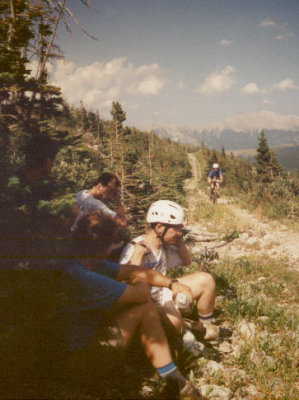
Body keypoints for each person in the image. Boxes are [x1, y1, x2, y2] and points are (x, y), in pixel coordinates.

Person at [64, 210, 201, 399]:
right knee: (145, 308)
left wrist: (172, 283)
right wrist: (138, 273)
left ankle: (168, 369)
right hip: (83, 360)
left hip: (85, 344)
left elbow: (133, 272)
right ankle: (174, 379)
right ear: (105, 248)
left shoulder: (84, 263)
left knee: (142, 304)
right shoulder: (84, 277)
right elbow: (140, 292)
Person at [119, 200, 220, 347]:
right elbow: (124, 279)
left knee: (206, 280)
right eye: (176, 229)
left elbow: (186, 261)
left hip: (163, 293)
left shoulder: (162, 246)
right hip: (144, 303)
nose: (180, 233)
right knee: (174, 322)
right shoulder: (135, 247)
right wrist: (138, 253)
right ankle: (191, 328)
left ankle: (206, 326)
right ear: (159, 227)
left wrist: (178, 242)